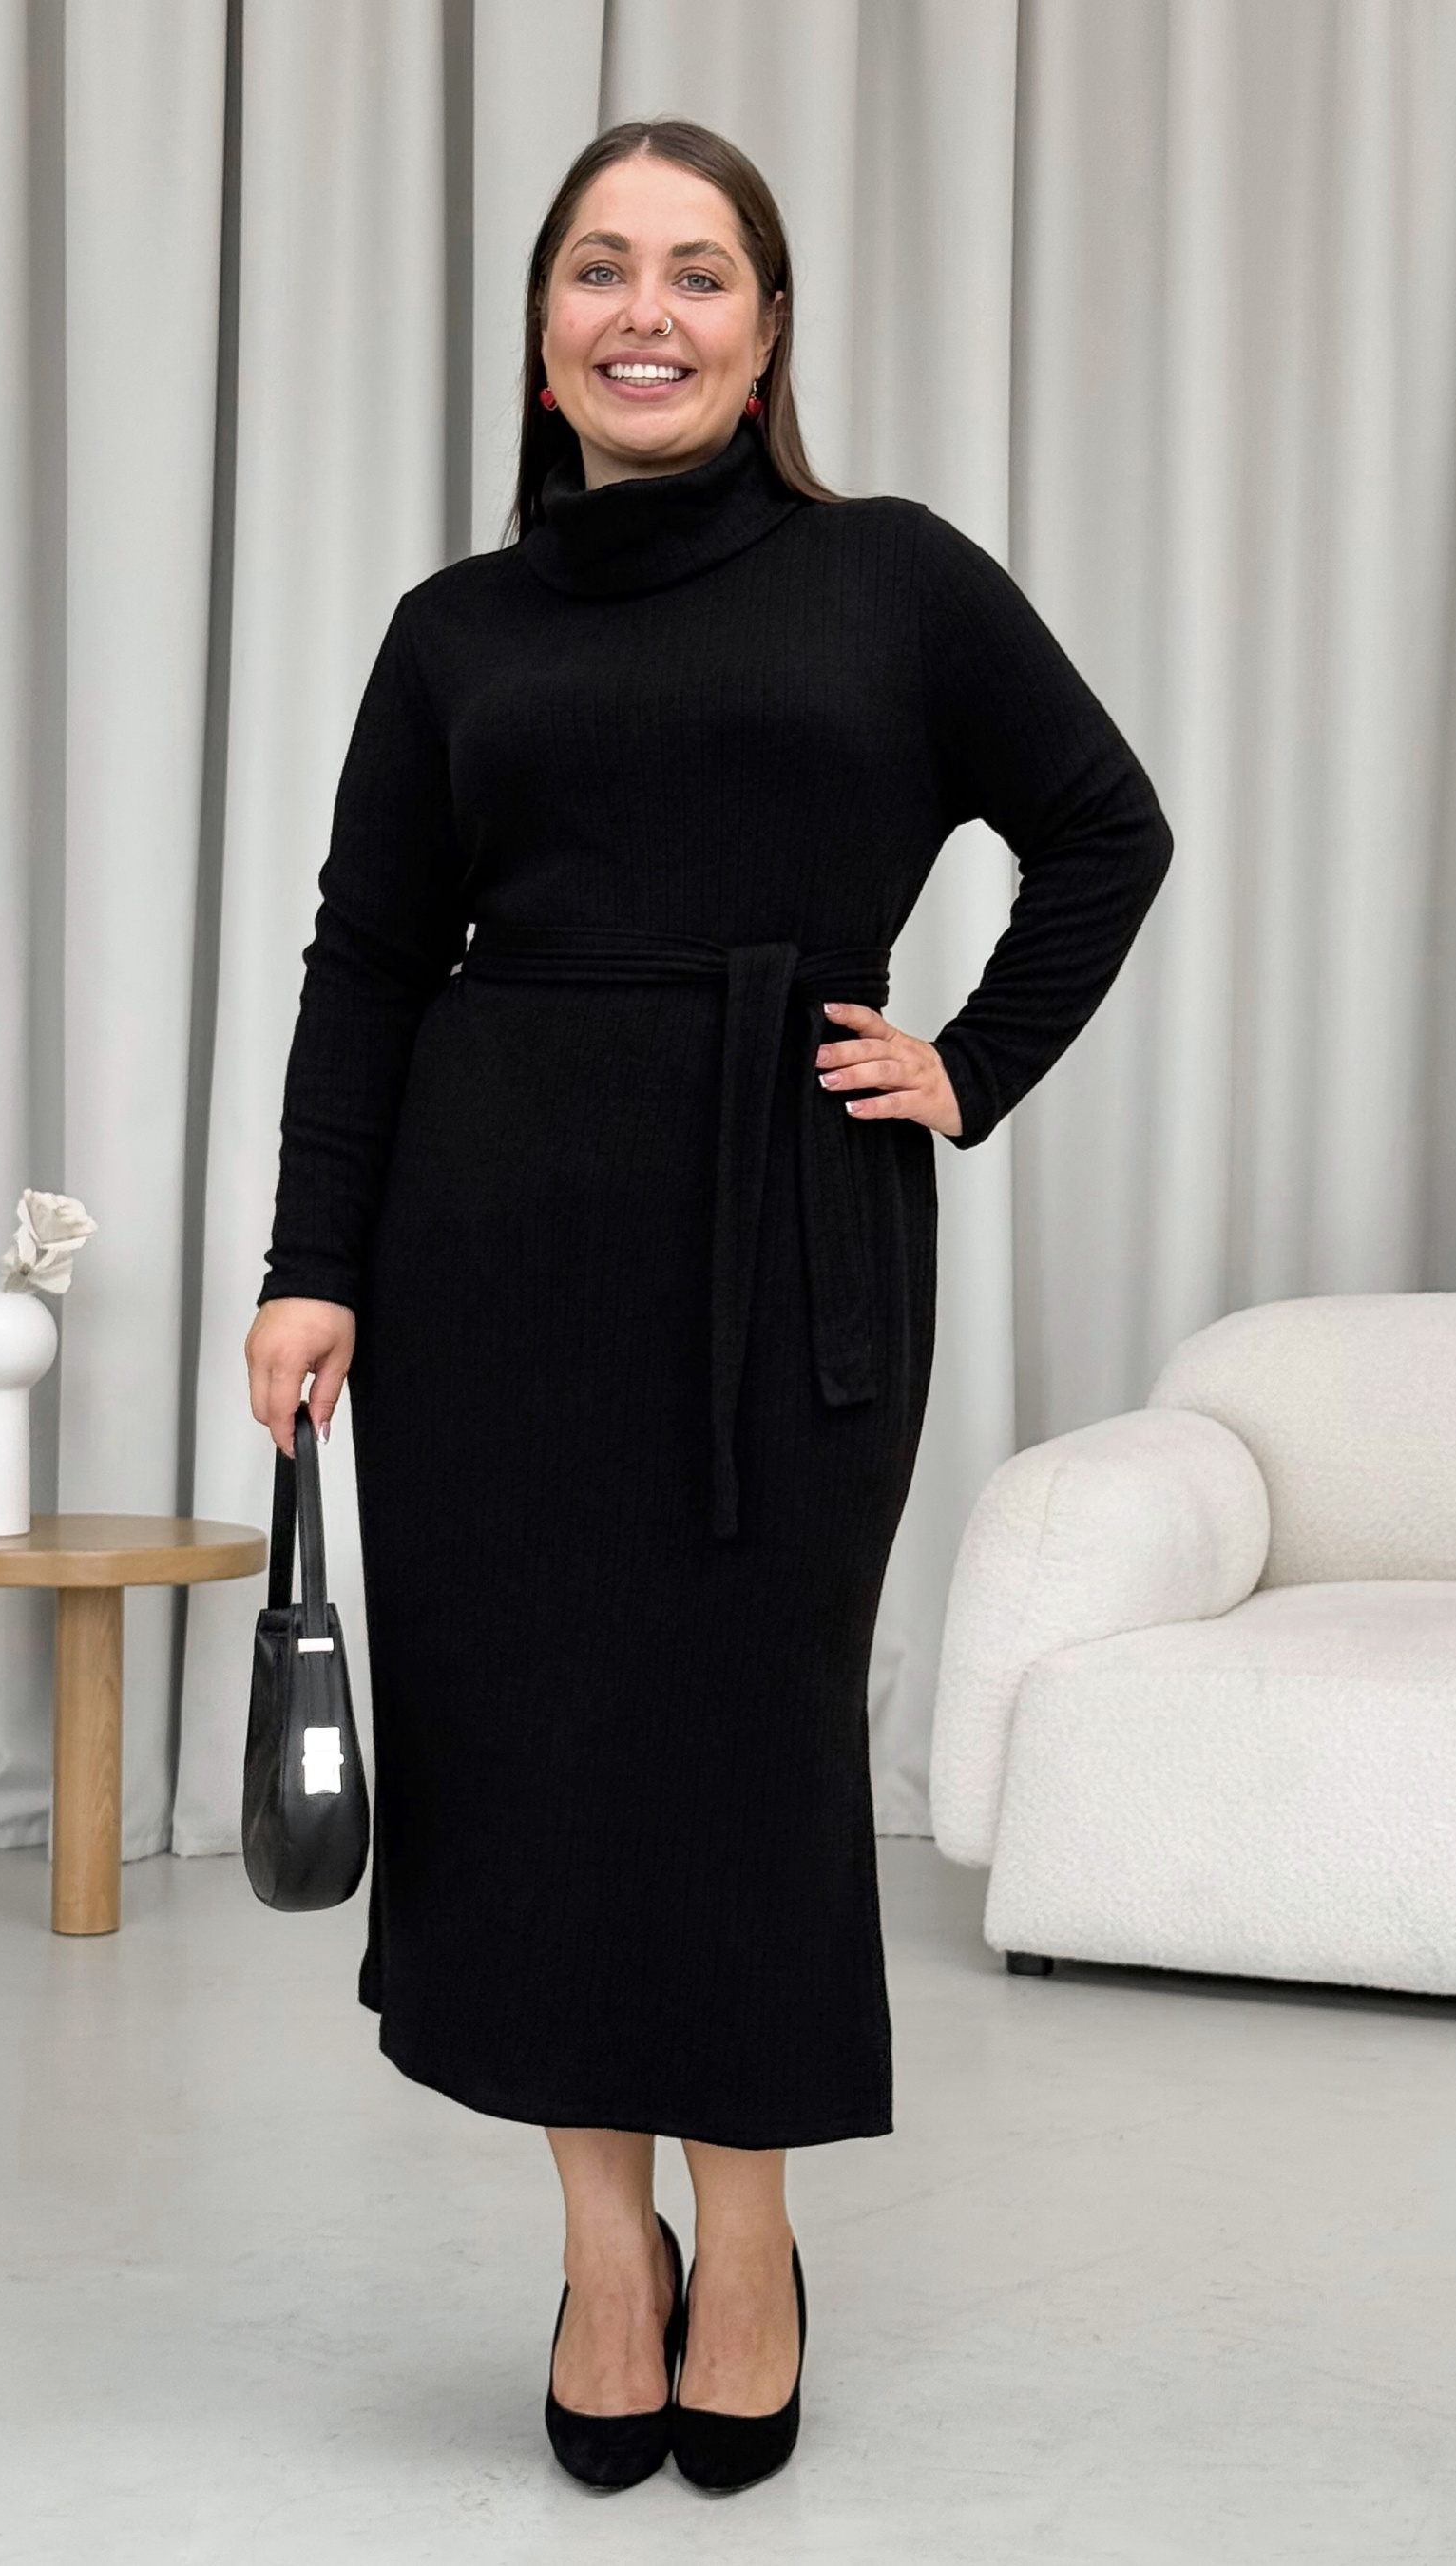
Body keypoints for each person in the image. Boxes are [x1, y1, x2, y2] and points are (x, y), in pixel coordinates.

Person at [245, 115, 1172, 2495]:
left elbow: (1103, 826)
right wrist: (311, 1264)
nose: (640, 310)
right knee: (529, 1752)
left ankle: (742, 2244)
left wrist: (964, 1065)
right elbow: (368, 955)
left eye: (693, 272)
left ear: (764, 338)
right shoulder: (454, 631)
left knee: (745, 1751)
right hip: (488, 1256)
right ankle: (599, 2249)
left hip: (789, 1235)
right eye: (597, 268)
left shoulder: (892, 579)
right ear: (541, 331)